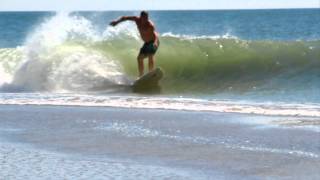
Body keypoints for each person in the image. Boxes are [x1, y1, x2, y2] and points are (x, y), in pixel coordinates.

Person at [110, 11, 159, 77]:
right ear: (141, 17)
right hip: (146, 43)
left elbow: (155, 36)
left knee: (150, 55)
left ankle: (151, 73)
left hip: (153, 42)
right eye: (144, 18)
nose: (146, 19)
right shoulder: (136, 19)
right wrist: (117, 22)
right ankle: (141, 75)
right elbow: (125, 18)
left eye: (147, 18)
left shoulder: (150, 25)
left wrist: (155, 43)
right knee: (139, 58)